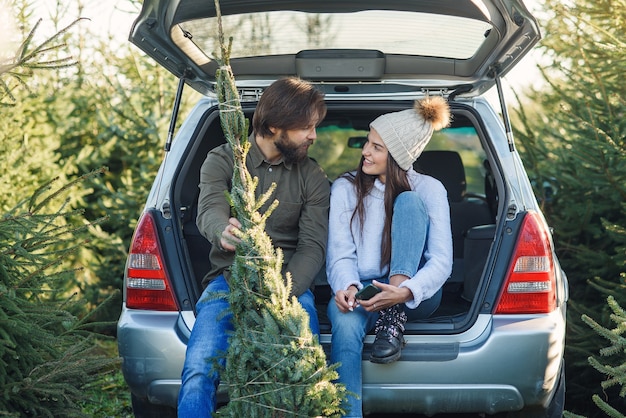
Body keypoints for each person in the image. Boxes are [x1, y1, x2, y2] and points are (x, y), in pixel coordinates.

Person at [177, 77, 330, 417]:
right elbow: (210, 211)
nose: (313, 136)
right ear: (275, 126)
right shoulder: (222, 160)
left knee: (305, 374)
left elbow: (312, 246)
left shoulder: (312, 176)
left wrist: (282, 295)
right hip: (228, 282)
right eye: (306, 127)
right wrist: (223, 232)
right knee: (200, 369)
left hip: (290, 285)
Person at [326, 96, 453, 417]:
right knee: (342, 319)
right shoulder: (345, 187)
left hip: (416, 293)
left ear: (398, 155)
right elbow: (340, 252)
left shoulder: (429, 189)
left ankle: (393, 315)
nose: (365, 152)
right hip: (365, 286)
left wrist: (404, 292)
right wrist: (348, 287)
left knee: (409, 203)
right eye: (368, 143)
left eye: (377, 147)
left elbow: (441, 261)